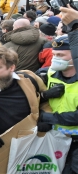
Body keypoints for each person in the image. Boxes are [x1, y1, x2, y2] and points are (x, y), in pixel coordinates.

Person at [37, 34, 78, 173]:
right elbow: (28, 99)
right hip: (53, 137)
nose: (55, 59)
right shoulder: (47, 74)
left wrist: (45, 117)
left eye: (61, 55)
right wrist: (44, 96)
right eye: (54, 54)